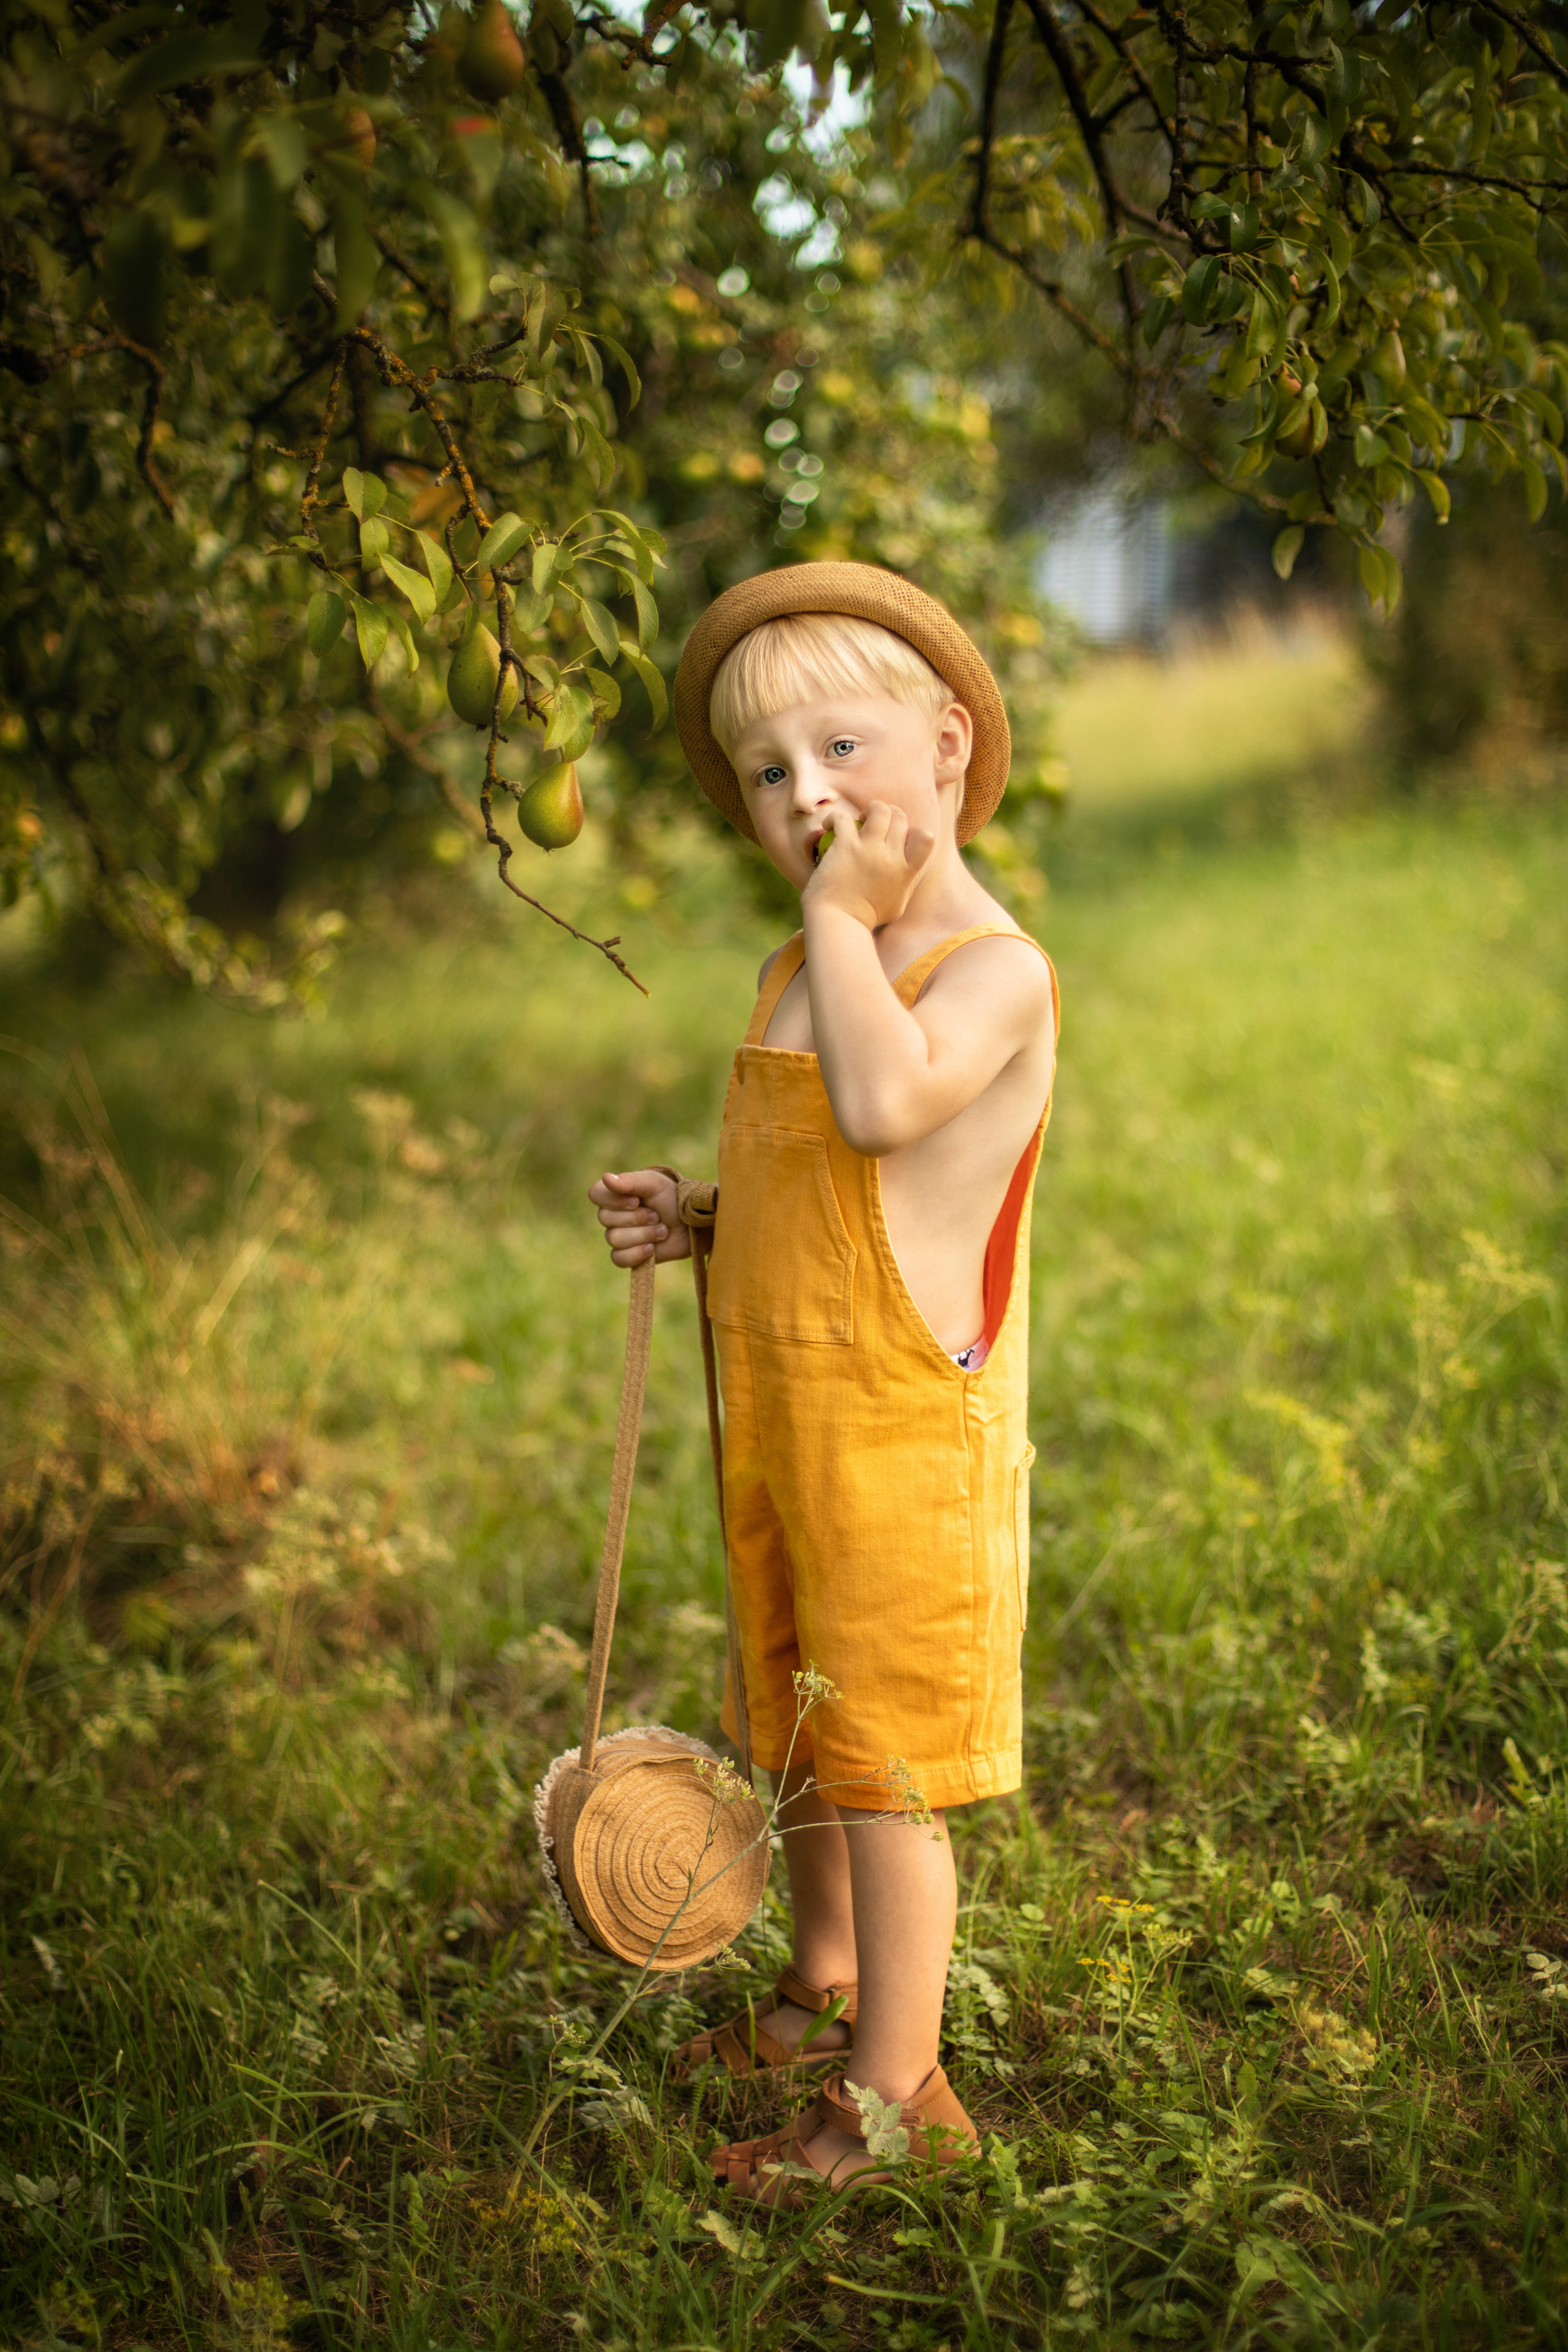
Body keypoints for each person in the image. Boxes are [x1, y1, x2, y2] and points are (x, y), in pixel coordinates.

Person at [588, 564, 1059, 2206]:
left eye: (842, 748)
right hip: (789, 1410)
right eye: (767, 772)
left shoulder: (989, 971)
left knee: (884, 1770)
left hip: (906, 1432)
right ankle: (823, 1980)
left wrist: (847, 924)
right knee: (797, 1725)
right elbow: (829, 1189)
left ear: (948, 744)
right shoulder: (809, 966)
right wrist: (700, 1215)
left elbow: (881, 1113)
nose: (807, 795)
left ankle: (896, 2101)